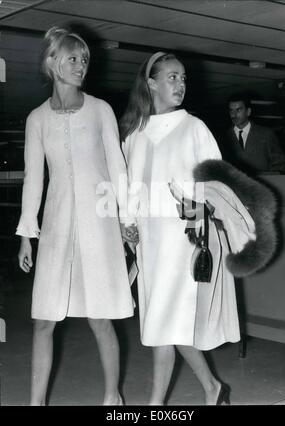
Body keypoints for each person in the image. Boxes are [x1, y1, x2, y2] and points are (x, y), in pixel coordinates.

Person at [16, 26, 134, 406]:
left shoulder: (101, 110)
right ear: (51, 62)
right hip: (56, 228)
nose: (81, 65)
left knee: (101, 319)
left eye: (84, 59)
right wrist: (26, 235)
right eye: (72, 58)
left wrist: (127, 218)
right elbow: (34, 180)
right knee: (43, 321)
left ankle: (112, 398)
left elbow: (118, 169)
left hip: (100, 227)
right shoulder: (36, 119)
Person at [119, 52, 239, 405]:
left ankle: (155, 408)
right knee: (165, 324)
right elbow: (129, 188)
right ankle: (214, 388)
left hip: (182, 240)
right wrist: (127, 224)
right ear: (151, 83)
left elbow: (219, 181)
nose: (180, 84)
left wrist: (199, 203)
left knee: (161, 326)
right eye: (172, 77)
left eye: (183, 78)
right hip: (148, 245)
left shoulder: (194, 127)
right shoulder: (134, 134)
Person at [223, 92, 285, 174]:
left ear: (248, 112)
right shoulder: (223, 137)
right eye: (231, 110)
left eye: (238, 110)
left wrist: (271, 177)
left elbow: (279, 162)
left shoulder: (266, 134)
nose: (234, 115)